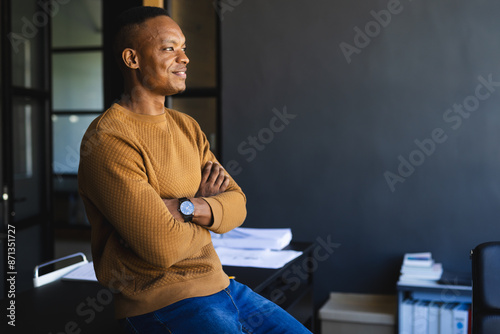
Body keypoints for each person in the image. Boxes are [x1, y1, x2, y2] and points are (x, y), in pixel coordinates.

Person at [78, 6, 312, 334]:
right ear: (133, 59)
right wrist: (210, 215)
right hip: (164, 304)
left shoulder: (186, 126)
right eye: (169, 48)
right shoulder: (108, 139)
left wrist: (187, 207)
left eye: (184, 48)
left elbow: (238, 206)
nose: (184, 58)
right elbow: (161, 248)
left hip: (226, 287)